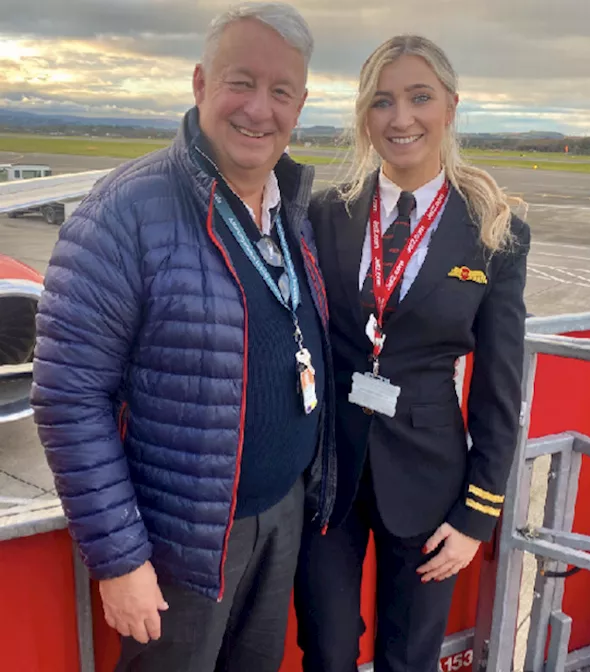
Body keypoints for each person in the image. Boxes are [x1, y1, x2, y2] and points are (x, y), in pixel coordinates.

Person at [29, 3, 337, 670]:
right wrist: (120, 559)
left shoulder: (291, 209)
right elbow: (67, 394)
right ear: (200, 84)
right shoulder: (124, 212)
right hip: (181, 546)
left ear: (301, 104)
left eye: (280, 91)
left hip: (280, 517)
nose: (260, 109)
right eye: (241, 82)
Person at [295, 34, 530, 671]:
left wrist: (478, 513)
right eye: (382, 102)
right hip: (330, 473)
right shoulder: (324, 213)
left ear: (450, 107)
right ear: (364, 119)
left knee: (409, 659)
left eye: (419, 98)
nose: (401, 119)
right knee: (328, 649)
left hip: (430, 479)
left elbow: (499, 388)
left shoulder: (493, 234)